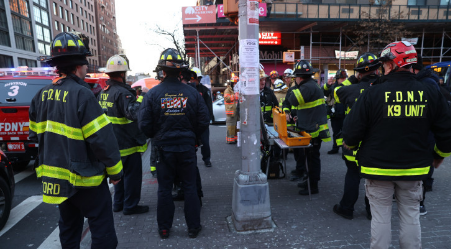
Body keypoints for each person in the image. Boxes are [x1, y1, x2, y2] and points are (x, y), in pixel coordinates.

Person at [342, 41, 451, 249]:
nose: (382, 68)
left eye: (384, 64)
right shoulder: (429, 92)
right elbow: (446, 129)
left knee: (381, 218)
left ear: (393, 64)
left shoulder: (373, 93)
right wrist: (439, 155)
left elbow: (350, 132)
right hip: (414, 169)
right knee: (411, 216)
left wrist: (352, 145)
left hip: (377, 169)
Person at [29, 32, 123, 248]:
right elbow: (102, 139)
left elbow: (34, 135)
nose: (87, 68)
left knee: (69, 230)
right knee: (102, 230)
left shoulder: (40, 95)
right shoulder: (83, 94)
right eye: (85, 63)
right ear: (78, 65)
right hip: (86, 180)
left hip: (56, 182)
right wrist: (116, 171)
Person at [138, 48, 209, 239]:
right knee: (189, 187)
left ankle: (164, 228)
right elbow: (204, 119)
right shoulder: (192, 93)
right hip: (186, 148)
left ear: (162, 71)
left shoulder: (153, 94)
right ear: (180, 72)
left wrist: (158, 135)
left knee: (164, 189)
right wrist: (191, 136)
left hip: (163, 149)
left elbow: (144, 123)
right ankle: (193, 227)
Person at [98, 54, 149, 215]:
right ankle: (130, 206)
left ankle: (118, 203)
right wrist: (142, 98)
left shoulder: (104, 92)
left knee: (118, 176)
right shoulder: (123, 93)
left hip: (112, 144)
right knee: (132, 177)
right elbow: (133, 114)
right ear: (122, 73)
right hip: (127, 143)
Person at [332, 52, 380, 220]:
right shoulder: (384, 88)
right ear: (378, 70)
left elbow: (336, 91)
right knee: (371, 178)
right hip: (375, 145)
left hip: (353, 143)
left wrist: (353, 79)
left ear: (359, 73)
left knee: (353, 174)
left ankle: (346, 208)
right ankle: (371, 211)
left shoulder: (351, 89)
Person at [287, 60, 331, 195]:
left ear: (299, 77)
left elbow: (292, 99)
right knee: (311, 158)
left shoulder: (306, 87)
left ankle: (313, 186)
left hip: (314, 131)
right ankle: (309, 182)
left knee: (312, 159)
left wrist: (292, 87)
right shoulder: (311, 85)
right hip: (312, 128)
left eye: (295, 78)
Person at [190, 67, 213, 167]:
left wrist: (209, 119)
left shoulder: (204, 90)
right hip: (191, 123)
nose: (192, 81)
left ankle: (207, 159)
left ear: (198, 78)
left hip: (202, 123)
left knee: (205, 143)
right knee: (191, 143)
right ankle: (191, 160)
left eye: (193, 79)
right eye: (190, 79)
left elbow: (209, 106)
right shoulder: (187, 91)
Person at [323, 69, 347, 154]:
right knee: (336, 132)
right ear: (337, 79)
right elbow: (324, 92)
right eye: (342, 78)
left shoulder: (348, 86)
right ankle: (335, 147)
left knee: (346, 132)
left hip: (345, 113)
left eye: (344, 78)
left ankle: (345, 149)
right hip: (335, 114)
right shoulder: (332, 87)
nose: (344, 80)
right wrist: (327, 85)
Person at [224, 79, 238, 144]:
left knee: (236, 126)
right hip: (230, 112)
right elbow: (227, 99)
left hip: (237, 111)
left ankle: (235, 139)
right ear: (231, 84)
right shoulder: (228, 90)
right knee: (230, 126)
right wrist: (234, 96)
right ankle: (230, 139)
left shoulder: (238, 90)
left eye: (236, 83)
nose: (235, 85)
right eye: (234, 83)